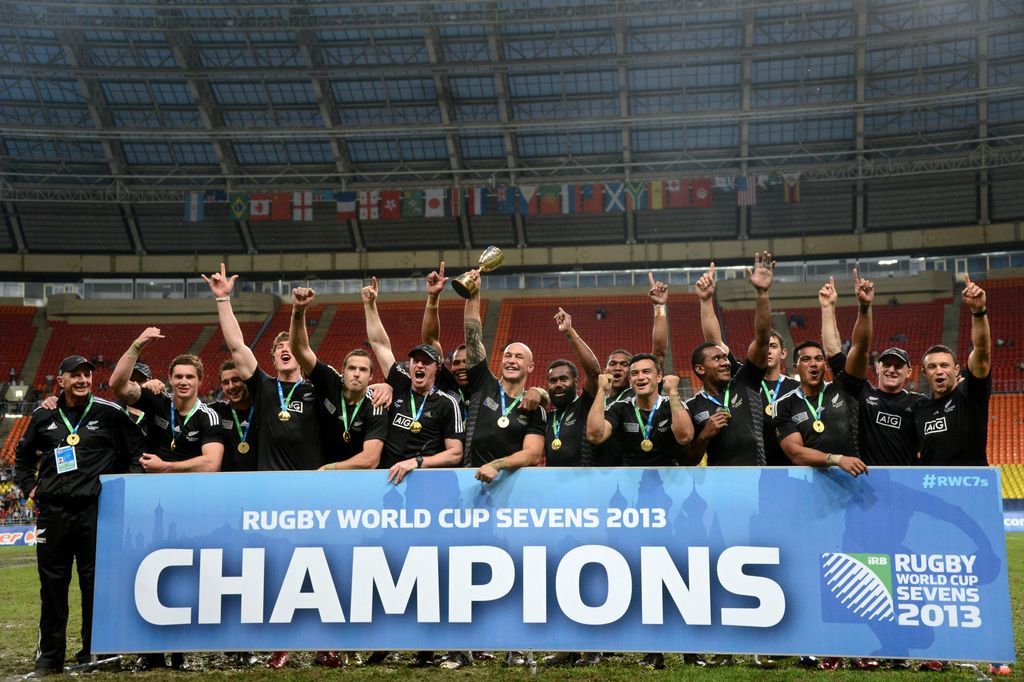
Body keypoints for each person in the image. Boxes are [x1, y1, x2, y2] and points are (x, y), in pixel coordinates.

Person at [201, 264, 339, 670]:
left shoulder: (316, 387)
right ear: (273, 355)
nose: (285, 349)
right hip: (272, 494)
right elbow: (235, 346)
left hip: (312, 491)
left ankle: (326, 643)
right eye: (279, 346)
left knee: (318, 568)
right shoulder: (262, 386)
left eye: (290, 344)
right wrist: (223, 299)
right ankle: (282, 643)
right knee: (278, 569)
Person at [15, 356, 143, 677]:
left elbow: (136, 452)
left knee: (96, 585)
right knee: (52, 587)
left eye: (87, 374)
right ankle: (49, 658)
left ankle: (98, 653)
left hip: (95, 512)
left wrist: (121, 489)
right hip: (53, 513)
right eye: (75, 375)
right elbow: (23, 457)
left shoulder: (109, 413)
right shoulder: (44, 415)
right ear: (61, 381)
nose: (83, 380)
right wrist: (31, 487)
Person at [695, 261, 799, 466]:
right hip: (754, 466)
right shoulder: (743, 378)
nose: (768, 350)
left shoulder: (795, 389)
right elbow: (714, 342)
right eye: (766, 346)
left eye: (774, 346)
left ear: (784, 353)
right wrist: (706, 301)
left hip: (789, 466)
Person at [773, 271, 874, 480]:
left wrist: (864, 308)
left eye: (819, 359)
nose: (813, 364)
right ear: (795, 367)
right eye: (806, 359)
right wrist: (836, 459)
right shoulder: (784, 405)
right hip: (810, 485)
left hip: (853, 479)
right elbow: (796, 453)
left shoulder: (843, 388)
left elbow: (860, 347)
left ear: (824, 365)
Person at [361, 277, 463, 481]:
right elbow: (379, 344)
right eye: (416, 361)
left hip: (423, 480)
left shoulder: (447, 403)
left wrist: (416, 462)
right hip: (386, 479)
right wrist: (370, 305)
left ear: (437, 368)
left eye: (426, 362)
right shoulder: (400, 383)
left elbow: (455, 454)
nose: (419, 365)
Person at [819, 279, 926, 468]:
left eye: (898, 366)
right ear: (877, 367)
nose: (891, 370)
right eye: (887, 364)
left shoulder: (919, 403)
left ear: (909, 372)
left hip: (903, 481)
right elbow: (836, 351)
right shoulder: (860, 392)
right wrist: (828, 308)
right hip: (863, 478)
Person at [686, 252, 775, 466]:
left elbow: (762, 340)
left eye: (725, 358)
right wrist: (704, 435)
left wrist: (762, 293)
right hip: (718, 484)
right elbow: (686, 461)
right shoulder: (692, 406)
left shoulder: (745, 383)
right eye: (717, 359)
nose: (726, 362)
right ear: (700, 369)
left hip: (757, 478)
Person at [288, 287, 390, 472]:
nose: (356, 373)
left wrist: (331, 468)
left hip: (357, 478)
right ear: (343, 371)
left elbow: (370, 460)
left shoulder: (376, 405)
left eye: (363, 370)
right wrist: (298, 311)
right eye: (352, 368)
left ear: (371, 376)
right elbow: (300, 350)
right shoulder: (330, 381)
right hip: (321, 475)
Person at [461, 269, 546, 484]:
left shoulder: (534, 408)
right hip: (469, 478)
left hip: (511, 486)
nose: (511, 360)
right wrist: (474, 294)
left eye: (519, 357)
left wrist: (497, 465)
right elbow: (472, 336)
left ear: (530, 367)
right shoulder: (484, 383)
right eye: (507, 355)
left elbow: (533, 454)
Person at [584, 272, 669, 467]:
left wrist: (659, 307)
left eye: (625, 364)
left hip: (626, 469)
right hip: (594, 469)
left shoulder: (636, 393)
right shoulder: (597, 395)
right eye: (613, 363)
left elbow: (659, 352)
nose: (618, 367)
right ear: (605, 369)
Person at [915, 274, 991, 467]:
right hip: (931, 484)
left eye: (944, 365)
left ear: (957, 370)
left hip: (969, 482)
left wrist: (978, 312)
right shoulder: (919, 409)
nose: (939, 371)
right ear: (924, 373)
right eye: (932, 367)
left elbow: (981, 352)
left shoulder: (969, 395)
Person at [543, 308, 600, 467]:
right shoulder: (546, 417)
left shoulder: (585, 405)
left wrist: (569, 333)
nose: (558, 384)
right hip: (552, 480)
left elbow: (594, 371)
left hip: (585, 478)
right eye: (553, 381)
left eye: (563, 379)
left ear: (575, 381)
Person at [209, 360, 260, 473]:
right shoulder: (215, 411)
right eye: (226, 383)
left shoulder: (262, 409)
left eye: (236, 380)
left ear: (246, 380)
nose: (231, 386)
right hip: (227, 480)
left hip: (260, 478)